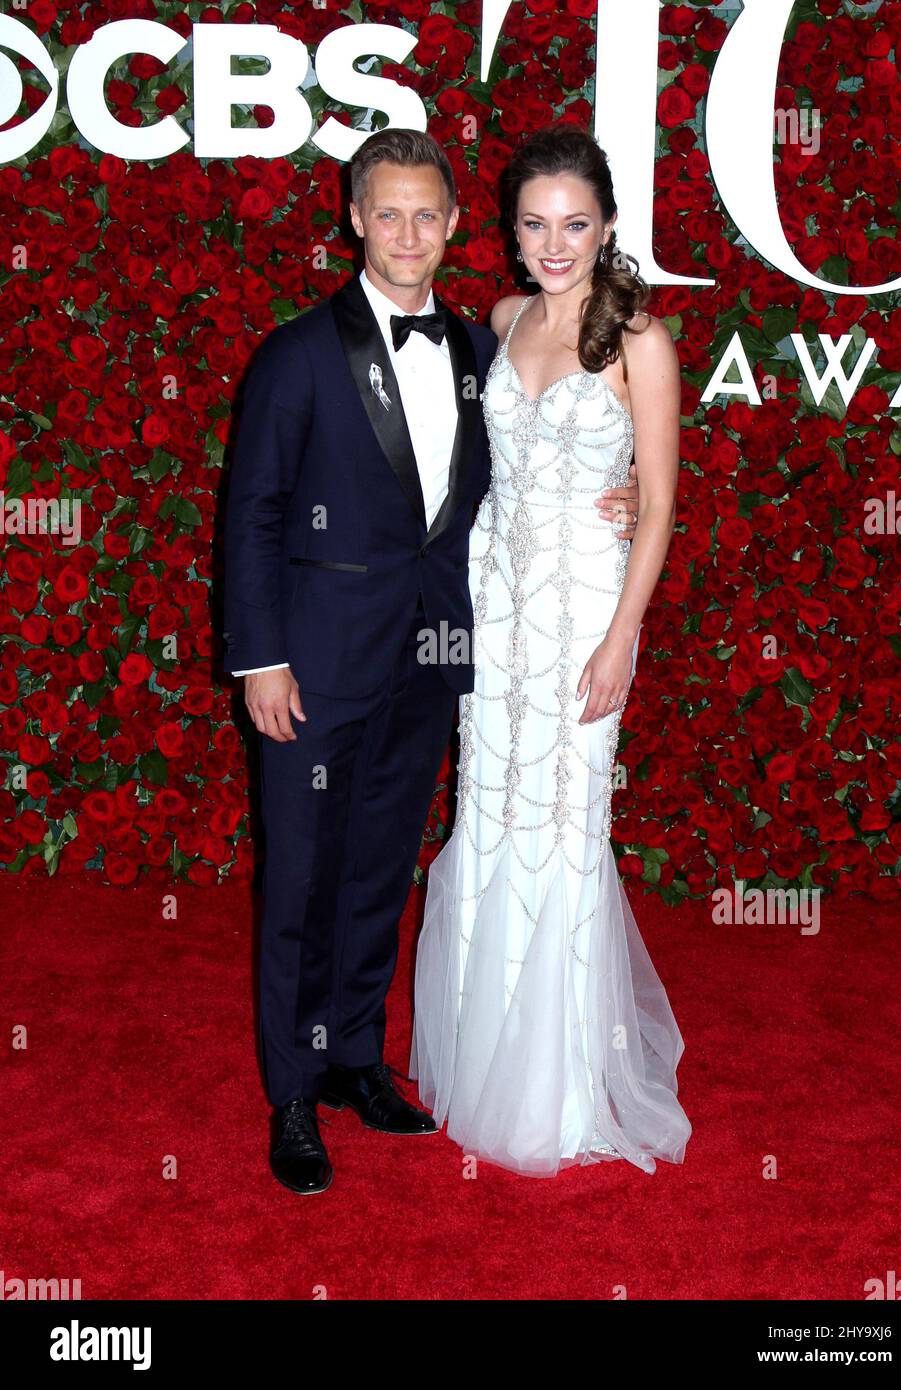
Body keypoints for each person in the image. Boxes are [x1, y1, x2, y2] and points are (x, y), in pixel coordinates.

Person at [222, 127, 641, 1194]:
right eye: (387, 213)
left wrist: (628, 495)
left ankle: (356, 1058)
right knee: (299, 880)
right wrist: (260, 658)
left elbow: (530, 470)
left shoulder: (477, 348)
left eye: (428, 214)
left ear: (456, 228)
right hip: (311, 668)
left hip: (437, 657)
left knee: (376, 873)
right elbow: (253, 514)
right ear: (356, 220)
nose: (408, 233)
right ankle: (291, 1091)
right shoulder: (295, 354)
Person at [410, 126, 693, 1177]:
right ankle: (482, 1064)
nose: (555, 241)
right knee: (485, 811)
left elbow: (659, 504)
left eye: (575, 223)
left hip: (584, 613)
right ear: (513, 233)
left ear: (609, 225)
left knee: (566, 822)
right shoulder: (499, 318)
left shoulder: (643, 342)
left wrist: (624, 634)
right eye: (535, 224)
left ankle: (562, 1088)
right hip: (493, 605)